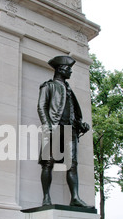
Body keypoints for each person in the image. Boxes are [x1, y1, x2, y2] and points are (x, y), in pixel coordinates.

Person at [37, 55, 93, 208]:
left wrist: (80, 125)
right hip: (54, 128)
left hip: (70, 131)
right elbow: (41, 107)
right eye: (69, 69)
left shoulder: (69, 90)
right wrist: (48, 126)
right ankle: (46, 198)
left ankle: (75, 197)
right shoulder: (48, 86)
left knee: (72, 165)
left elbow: (74, 111)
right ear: (61, 69)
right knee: (48, 164)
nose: (71, 72)